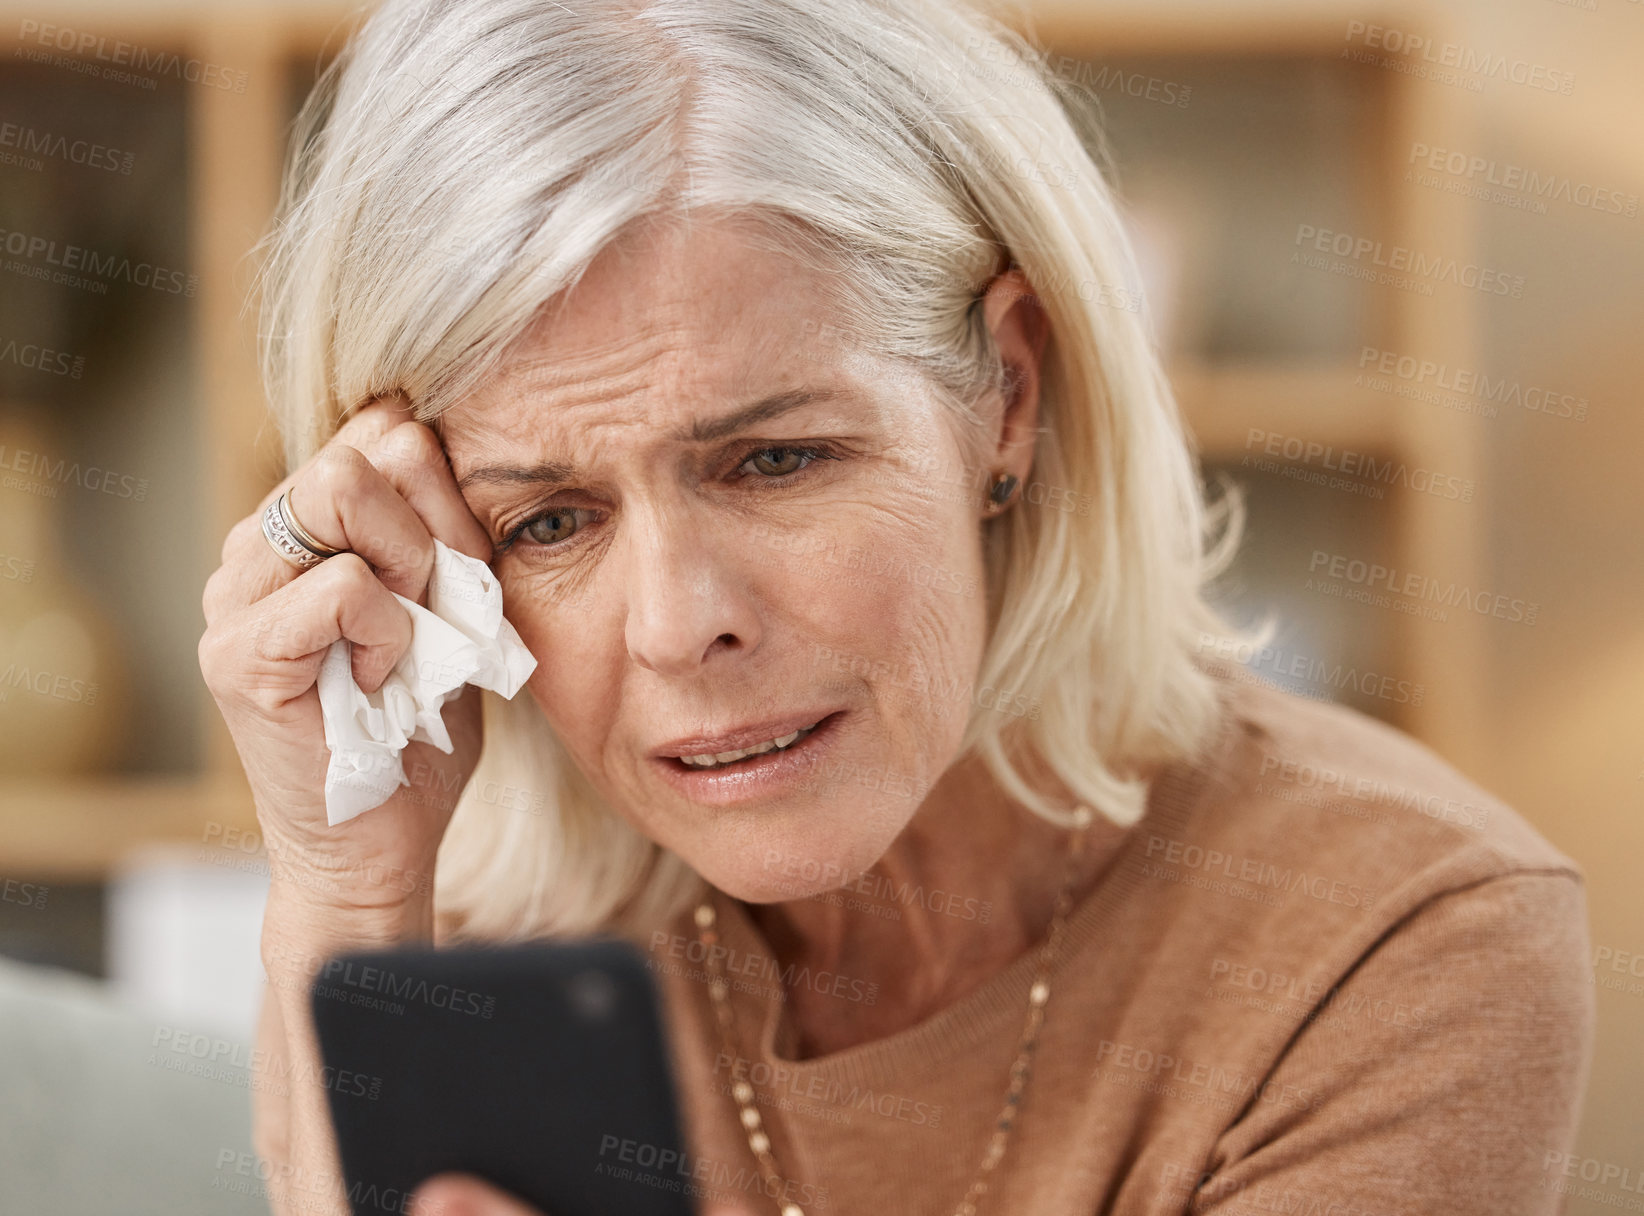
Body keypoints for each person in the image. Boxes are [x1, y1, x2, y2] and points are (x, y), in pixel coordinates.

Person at [196, 0, 1594, 1212]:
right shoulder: (466, 952)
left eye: (777, 459)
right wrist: (346, 884)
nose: (682, 626)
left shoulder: (1392, 939)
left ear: (1010, 393)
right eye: (546, 519)